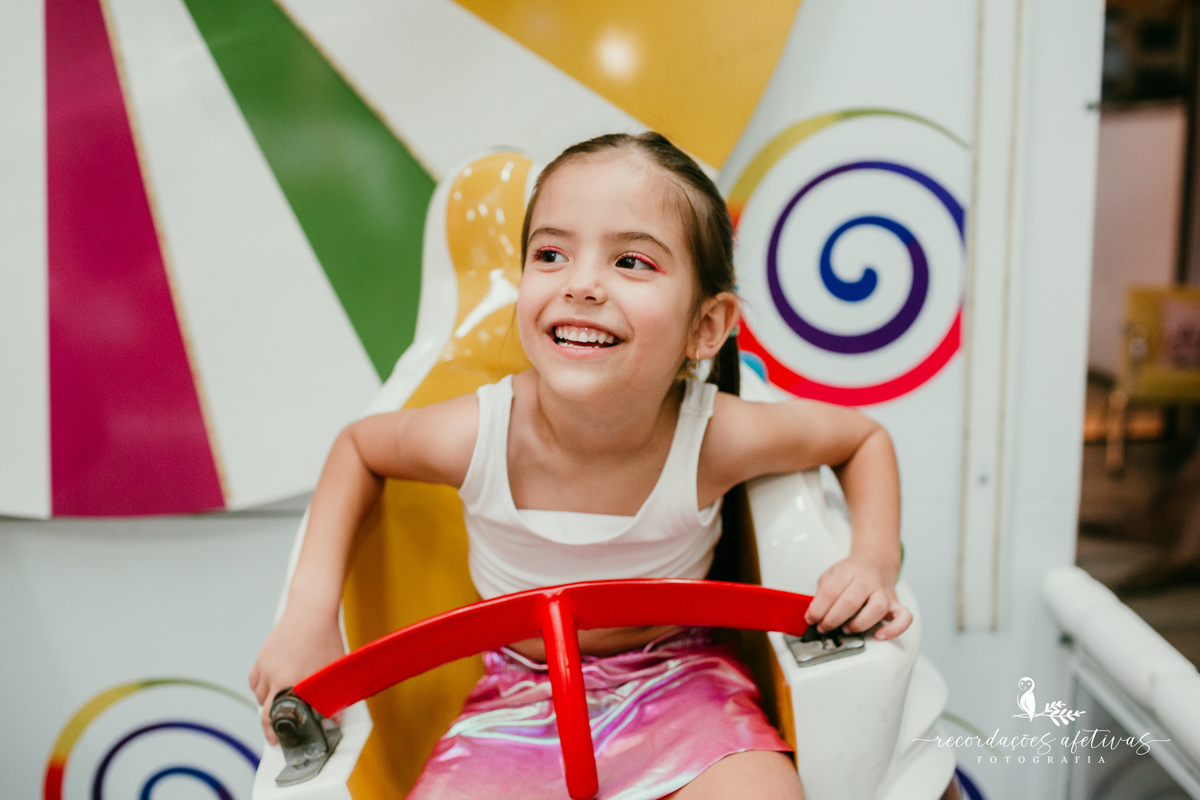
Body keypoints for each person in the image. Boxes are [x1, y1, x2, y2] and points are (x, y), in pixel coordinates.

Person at [249, 132, 912, 799]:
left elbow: (863, 441)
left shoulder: (712, 438)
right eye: (551, 254)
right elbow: (358, 450)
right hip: (517, 702)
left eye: (630, 261)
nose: (581, 284)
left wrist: (872, 560)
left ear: (706, 327)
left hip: (682, 687)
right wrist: (309, 613)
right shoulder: (479, 435)